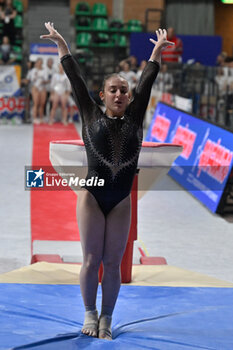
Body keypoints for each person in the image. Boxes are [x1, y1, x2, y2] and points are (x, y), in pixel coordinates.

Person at [40, 22, 173, 340]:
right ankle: (89, 313)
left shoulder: (136, 116)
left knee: (112, 262)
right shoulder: (90, 114)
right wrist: (62, 46)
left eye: (124, 91)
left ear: (129, 97)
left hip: (121, 200)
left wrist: (155, 52)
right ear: (103, 95)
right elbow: (75, 79)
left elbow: (147, 81)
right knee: (91, 258)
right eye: (113, 90)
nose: (119, 94)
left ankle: (107, 318)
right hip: (92, 196)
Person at [27, 57, 47, 124]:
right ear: (36, 63)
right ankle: (35, 118)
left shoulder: (44, 70)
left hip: (42, 87)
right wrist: (36, 76)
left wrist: (43, 81)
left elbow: (46, 80)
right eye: (38, 62)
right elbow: (32, 79)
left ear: (42, 63)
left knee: (42, 104)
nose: (39, 63)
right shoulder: (33, 70)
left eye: (40, 62)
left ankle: (41, 118)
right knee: (36, 103)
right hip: (35, 87)